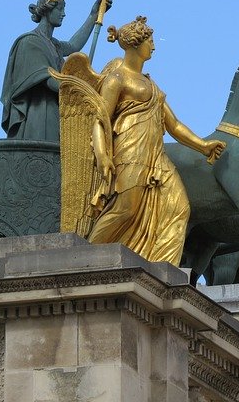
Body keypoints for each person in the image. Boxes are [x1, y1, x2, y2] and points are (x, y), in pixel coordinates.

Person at [87, 15, 225, 266]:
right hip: (130, 150)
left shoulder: (152, 85)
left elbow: (174, 125)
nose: (153, 46)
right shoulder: (117, 79)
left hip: (156, 156)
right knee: (126, 209)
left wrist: (203, 146)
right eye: (150, 41)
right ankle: (84, 258)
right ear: (135, 43)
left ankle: (160, 269)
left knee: (179, 207)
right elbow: (100, 120)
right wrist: (102, 155)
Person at [1, 0, 112, 141]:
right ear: (47, 11)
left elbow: (74, 45)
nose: (64, 14)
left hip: (54, 108)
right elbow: (50, 80)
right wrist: (85, 91)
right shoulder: (30, 42)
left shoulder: (53, 44)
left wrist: (94, 15)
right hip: (39, 112)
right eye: (60, 9)